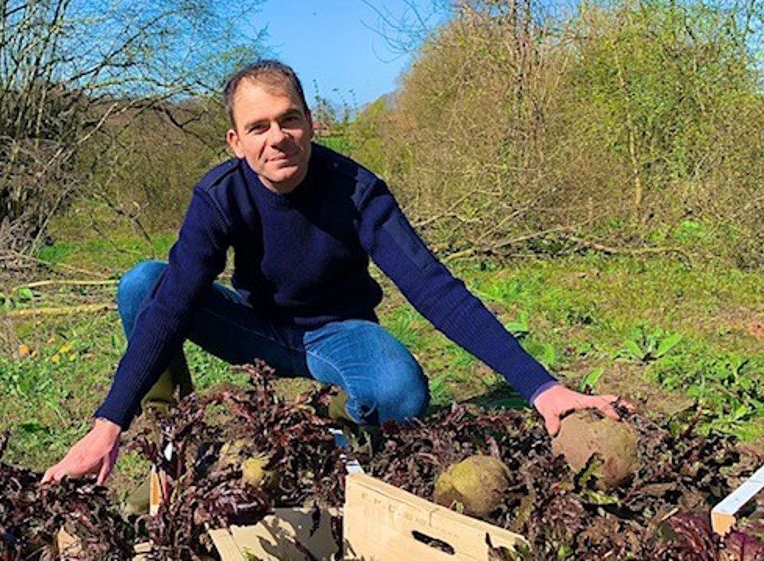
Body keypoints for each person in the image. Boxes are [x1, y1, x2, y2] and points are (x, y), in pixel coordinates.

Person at [41, 60, 630, 486]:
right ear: (235, 141)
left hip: (339, 333)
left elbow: (431, 286)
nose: (278, 138)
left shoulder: (356, 190)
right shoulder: (220, 196)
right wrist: (109, 422)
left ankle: (332, 418)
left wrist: (540, 386)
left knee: (401, 394)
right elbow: (174, 303)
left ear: (310, 122)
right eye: (258, 127)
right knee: (145, 284)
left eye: (288, 119)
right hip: (257, 327)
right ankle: (170, 446)